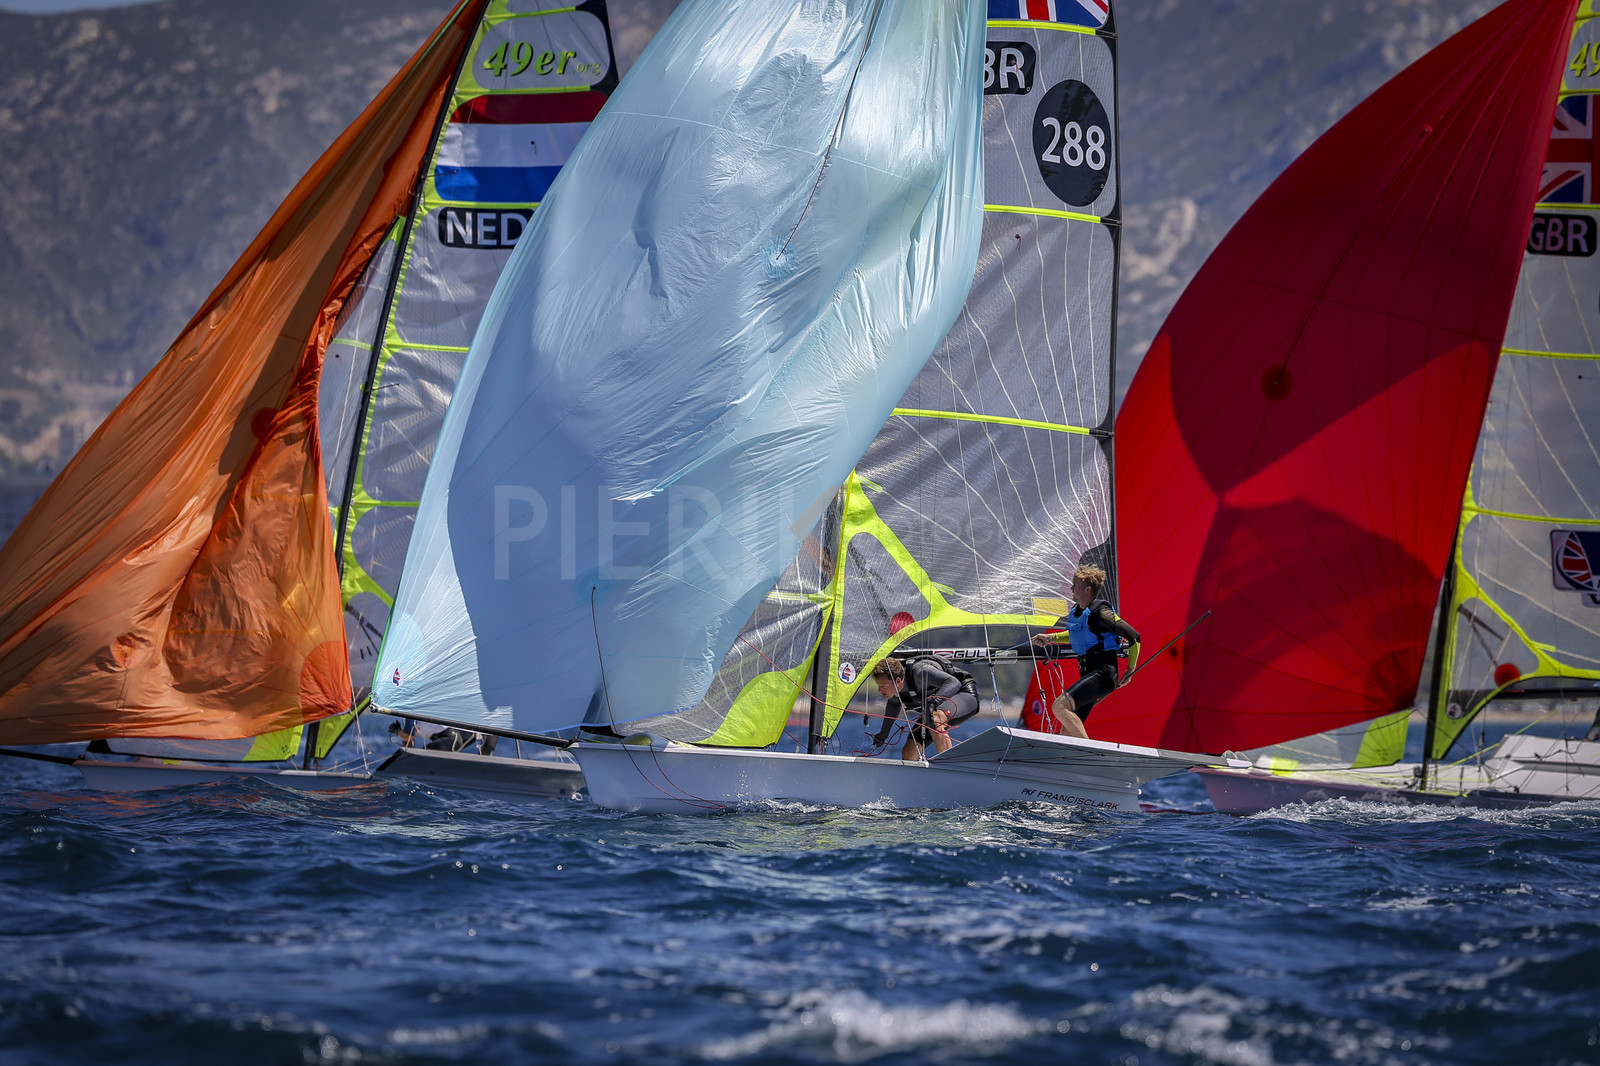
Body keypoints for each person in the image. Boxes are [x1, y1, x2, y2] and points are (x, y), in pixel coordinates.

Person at [1029, 564, 1140, 738]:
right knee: (1067, 731)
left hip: (1103, 675)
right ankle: (1067, 760)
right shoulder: (1079, 612)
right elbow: (1078, 633)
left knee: (1059, 707)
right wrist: (1051, 638)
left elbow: (1134, 637)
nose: (1071, 588)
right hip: (1089, 675)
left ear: (1087, 589)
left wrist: (1130, 670)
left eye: (1075, 585)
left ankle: (1088, 752)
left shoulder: (1102, 614)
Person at [868, 655, 980, 759]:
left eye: (883, 686)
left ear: (898, 681)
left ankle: (950, 767)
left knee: (936, 719)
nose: (879, 690)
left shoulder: (920, 672)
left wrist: (934, 701)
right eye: (879, 686)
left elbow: (953, 682)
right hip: (936, 707)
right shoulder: (894, 691)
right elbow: (894, 704)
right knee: (908, 753)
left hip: (964, 694)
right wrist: (884, 733)